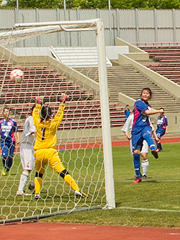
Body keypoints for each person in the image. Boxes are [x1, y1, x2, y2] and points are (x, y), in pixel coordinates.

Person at [32, 95, 87, 200]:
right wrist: (62, 102)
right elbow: (60, 114)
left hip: (38, 153)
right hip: (50, 153)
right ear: (51, 114)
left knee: (38, 173)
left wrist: (38, 103)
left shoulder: (37, 123)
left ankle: (37, 194)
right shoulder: (53, 124)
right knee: (63, 172)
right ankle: (76, 190)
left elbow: (34, 113)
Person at [131, 87, 164, 184]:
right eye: (143, 93)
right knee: (136, 153)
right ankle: (138, 176)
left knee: (146, 135)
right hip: (136, 129)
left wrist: (161, 113)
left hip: (145, 127)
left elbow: (148, 114)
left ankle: (154, 149)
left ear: (150, 96)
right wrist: (159, 110)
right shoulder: (138, 103)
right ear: (141, 94)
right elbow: (147, 112)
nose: (145, 95)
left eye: (147, 93)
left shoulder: (148, 105)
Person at [121, 110, 159, 179]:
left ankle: (144, 174)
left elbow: (151, 128)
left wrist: (155, 137)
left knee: (144, 155)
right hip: (135, 137)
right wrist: (128, 136)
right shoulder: (131, 117)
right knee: (136, 155)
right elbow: (125, 128)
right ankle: (138, 174)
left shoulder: (145, 117)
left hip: (143, 136)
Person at [17, 105, 36, 196]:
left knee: (39, 167)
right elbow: (32, 131)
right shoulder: (31, 119)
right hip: (27, 146)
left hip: (33, 146)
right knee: (27, 168)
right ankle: (20, 190)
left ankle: (32, 185)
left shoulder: (35, 119)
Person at [0, 107, 20, 176]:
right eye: (5, 111)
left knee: (10, 156)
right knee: (5, 155)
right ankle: (4, 168)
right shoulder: (1, 122)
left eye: (8, 111)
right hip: (3, 141)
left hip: (11, 141)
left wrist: (18, 139)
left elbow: (16, 131)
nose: (7, 113)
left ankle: (7, 169)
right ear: (3, 113)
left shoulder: (13, 122)